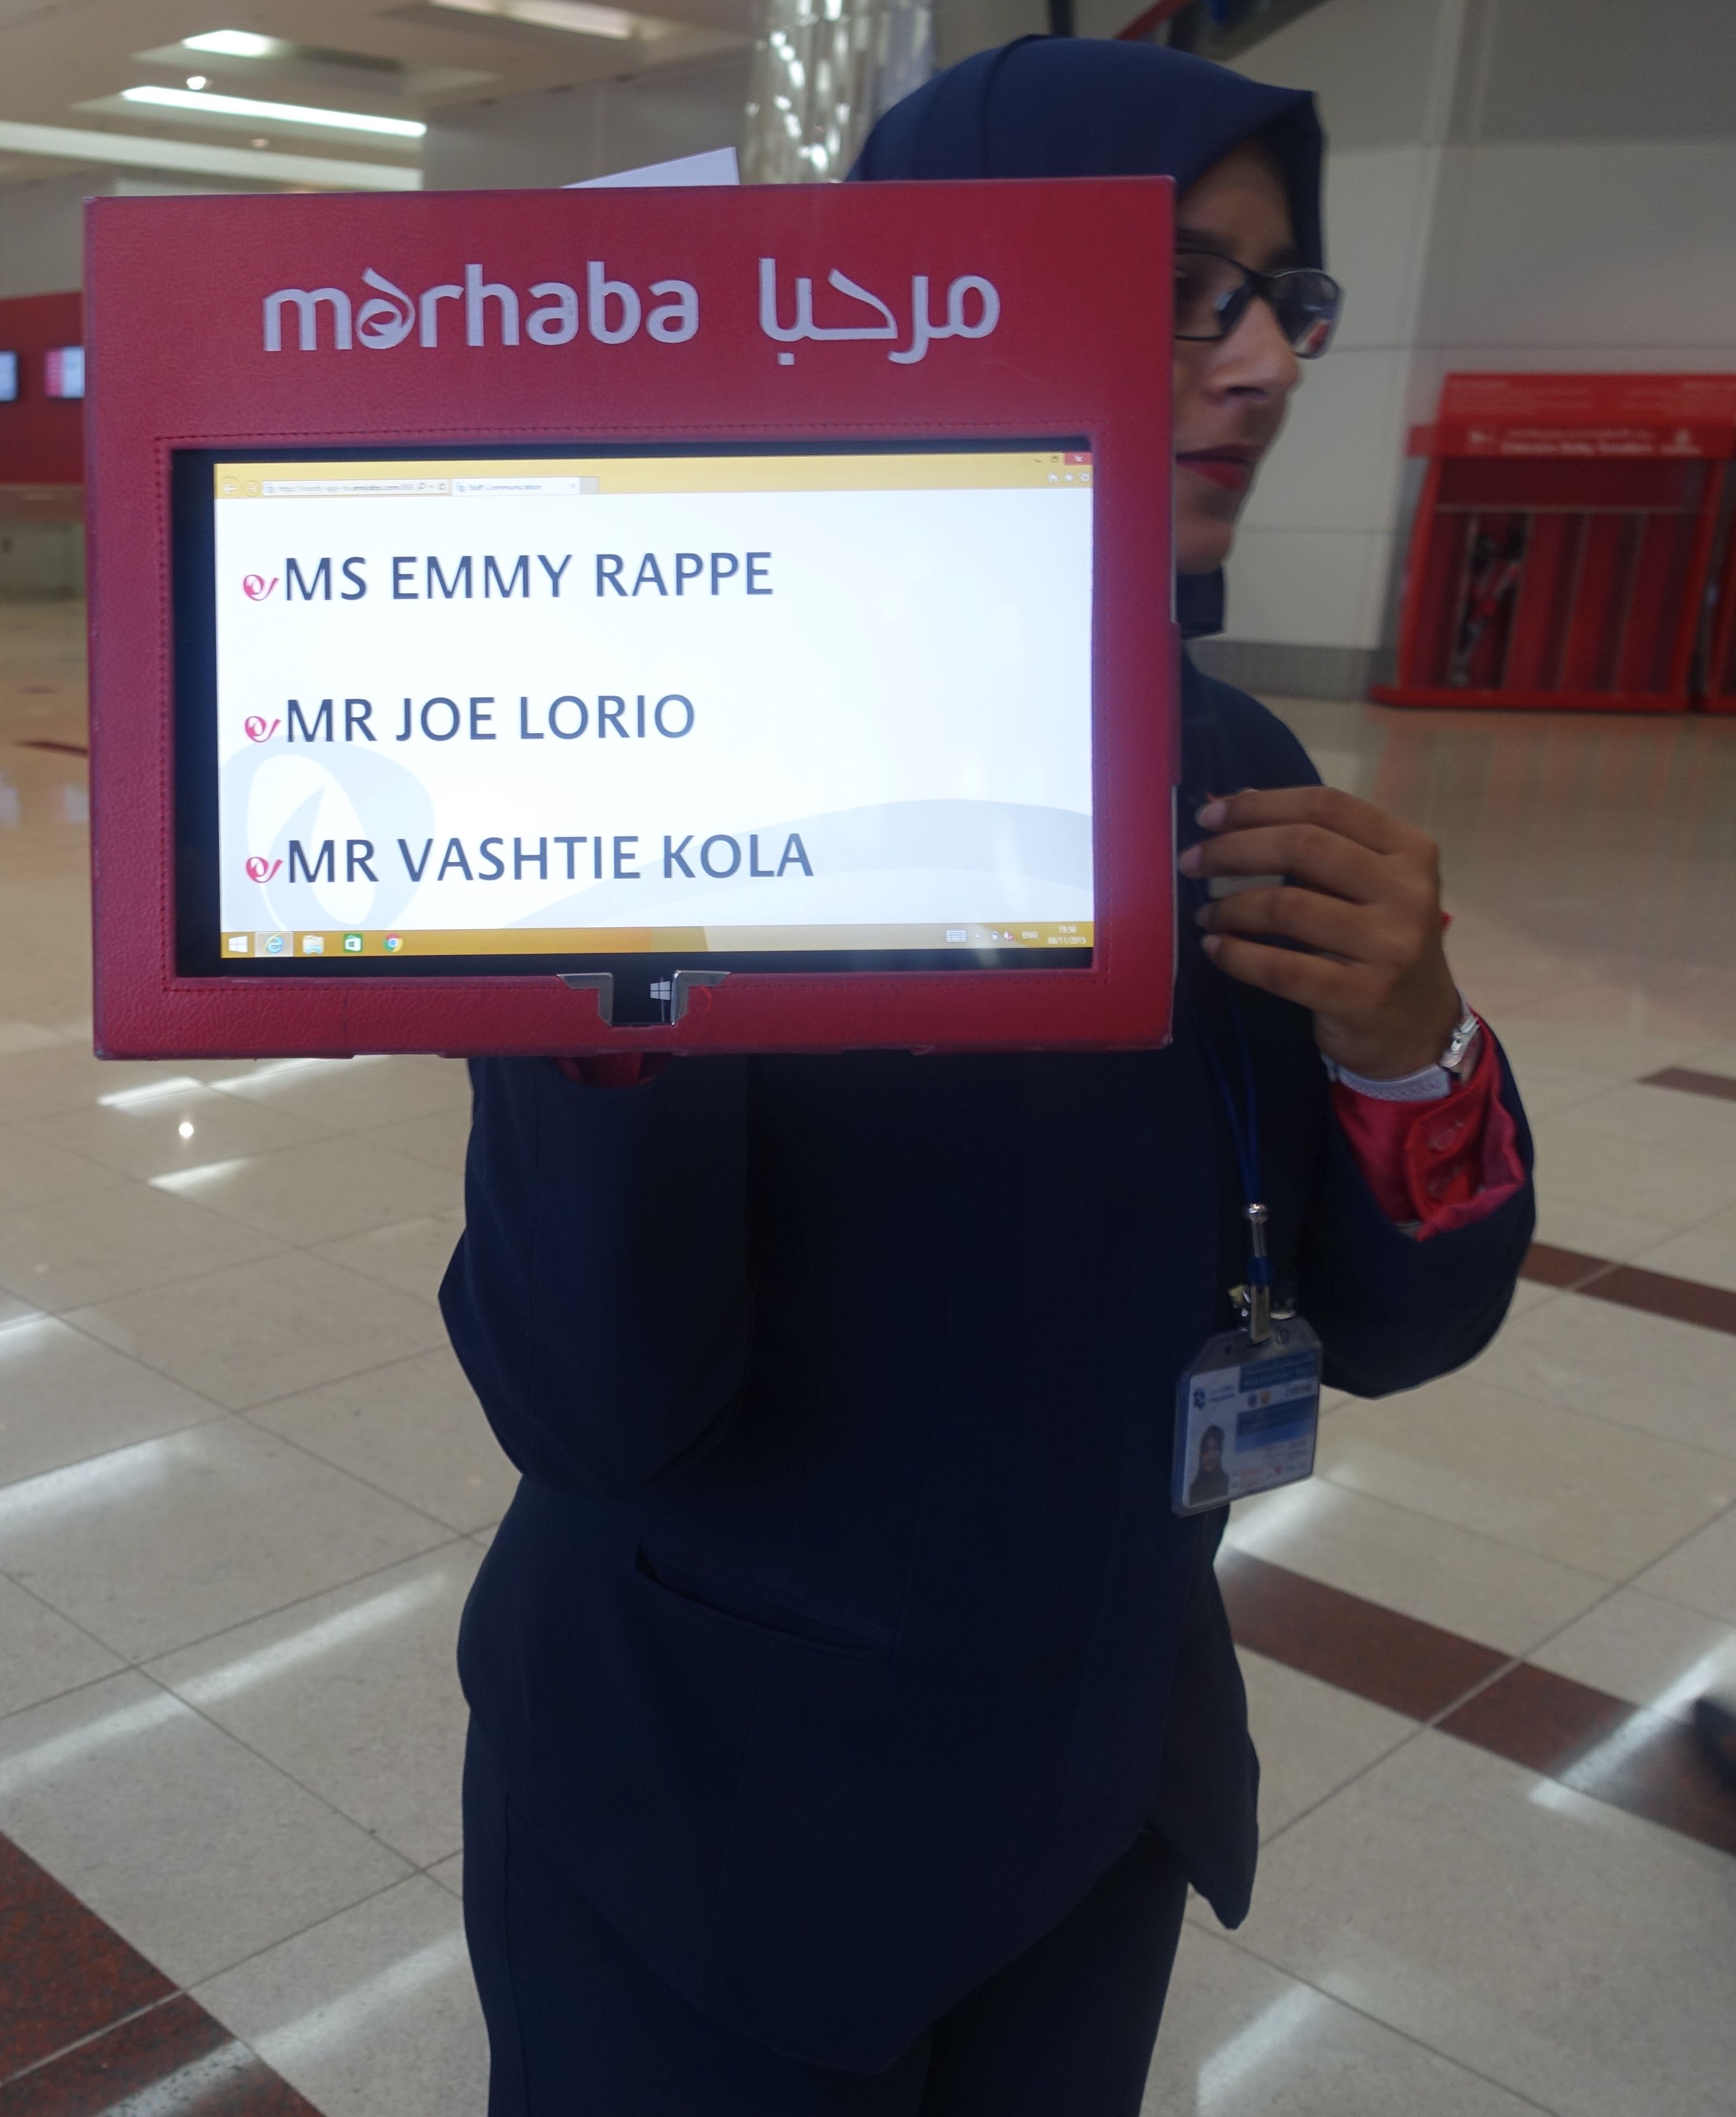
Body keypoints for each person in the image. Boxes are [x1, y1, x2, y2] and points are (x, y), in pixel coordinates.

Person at [442, 40, 1537, 2115]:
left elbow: (1396, 1327)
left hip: (1099, 1792)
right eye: (1181, 288)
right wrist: (598, 997)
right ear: (929, 300)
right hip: (723, 1824)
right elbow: (597, 1405)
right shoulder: (702, 757)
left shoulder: (1236, 775)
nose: (1263, 367)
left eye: (1283, 300)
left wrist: (1411, 1049)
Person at [1184, 1424, 1231, 1509]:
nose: (1210, 1456)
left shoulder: (1227, 1482)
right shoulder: (1193, 1489)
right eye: (1206, 1449)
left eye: (1215, 1448)